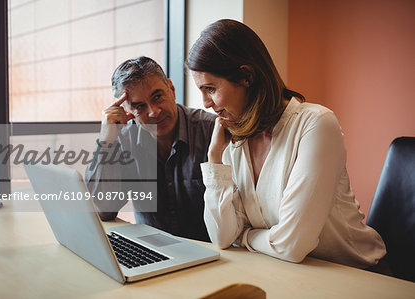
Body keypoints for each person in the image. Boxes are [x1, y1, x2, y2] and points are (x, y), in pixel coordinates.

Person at [186, 19, 386, 268]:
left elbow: (292, 246)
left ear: (246, 76)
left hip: (356, 275)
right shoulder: (233, 140)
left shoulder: (316, 124)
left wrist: (245, 235)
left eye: (211, 89)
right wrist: (215, 159)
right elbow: (222, 237)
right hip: (287, 273)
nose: (205, 102)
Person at [85, 56, 216, 242]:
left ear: (171, 89)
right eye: (140, 106)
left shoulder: (211, 131)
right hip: (153, 251)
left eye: (158, 97)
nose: (154, 112)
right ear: (126, 110)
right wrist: (106, 141)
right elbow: (103, 209)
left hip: (211, 256)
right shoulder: (123, 139)